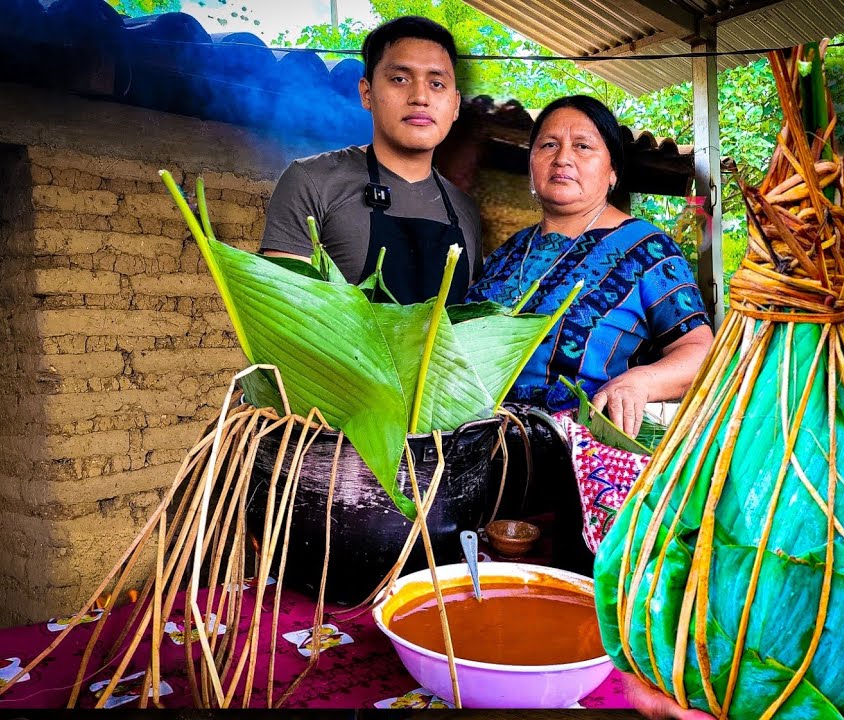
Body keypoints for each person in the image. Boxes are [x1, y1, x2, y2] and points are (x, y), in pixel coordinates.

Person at [467, 95, 712, 435]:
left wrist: (640, 382)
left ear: (612, 172)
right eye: (548, 145)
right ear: (532, 164)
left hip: (582, 451)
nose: (562, 158)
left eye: (582, 146)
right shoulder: (507, 254)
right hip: (473, 445)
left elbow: (701, 352)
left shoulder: (648, 250)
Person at [260, 16, 482, 305]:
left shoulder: (465, 210)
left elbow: (468, 318)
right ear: (367, 93)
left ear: (455, 105)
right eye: (400, 79)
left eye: (437, 83)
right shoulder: (313, 182)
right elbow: (283, 312)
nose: (420, 97)